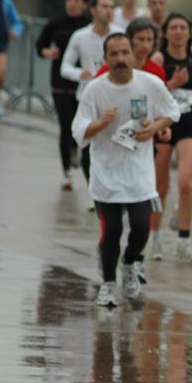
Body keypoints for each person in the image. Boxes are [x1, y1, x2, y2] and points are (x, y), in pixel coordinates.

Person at [70, 32, 179, 306]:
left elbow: (172, 111)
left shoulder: (150, 83)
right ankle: (108, 284)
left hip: (139, 172)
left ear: (133, 54)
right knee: (113, 230)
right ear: (105, 58)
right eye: (114, 54)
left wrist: (155, 127)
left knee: (142, 226)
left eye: (125, 53)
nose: (120, 59)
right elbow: (78, 130)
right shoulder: (95, 89)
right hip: (106, 172)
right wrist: (101, 123)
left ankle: (130, 263)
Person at [149, 12, 192, 263]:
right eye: (174, 28)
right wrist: (172, 82)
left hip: (188, 121)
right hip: (163, 123)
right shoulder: (159, 58)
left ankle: (184, 239)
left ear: (190, 33)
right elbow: (152, 94)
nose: (179, 32)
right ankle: (155, 237)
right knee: (160, 186)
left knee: (186, 183)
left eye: (183, 27)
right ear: (166, 32)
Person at [61, 0, 123, 185]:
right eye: (104, 6)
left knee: (115, 143)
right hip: (88, 96)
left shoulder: (120, 35)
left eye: (112, 7)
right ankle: (93, 189)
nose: (109, 11)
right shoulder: (80, 37)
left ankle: (113, 185)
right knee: (90, 145)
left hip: (116, 96)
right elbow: (65, 67)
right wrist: (79, 73)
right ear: (93, 10)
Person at [35, 0, 90, 189]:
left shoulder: (89, 26)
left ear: (84, 4)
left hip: (83, 83)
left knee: (80, 124)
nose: (72, 3)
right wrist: (49, 53)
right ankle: (66, 173)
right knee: (65, 125)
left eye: (76, 0)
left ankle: (76, 149)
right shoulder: (56, 23)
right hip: (59, 80)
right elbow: (40, 45)